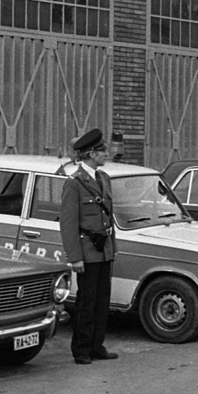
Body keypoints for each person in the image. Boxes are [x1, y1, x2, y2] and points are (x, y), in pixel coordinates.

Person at [61, 128, 118, 364]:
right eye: (103, 150)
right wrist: (75, 257)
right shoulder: (75, 183)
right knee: (87, 301)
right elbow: (68, 223)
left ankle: (97, 345)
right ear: (92, 154)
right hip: (87, 250)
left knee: (103, 299)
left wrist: (113, 247)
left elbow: (109, 216)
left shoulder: (103, 178)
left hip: (104, 248)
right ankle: (81, 349)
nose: (107, 154)